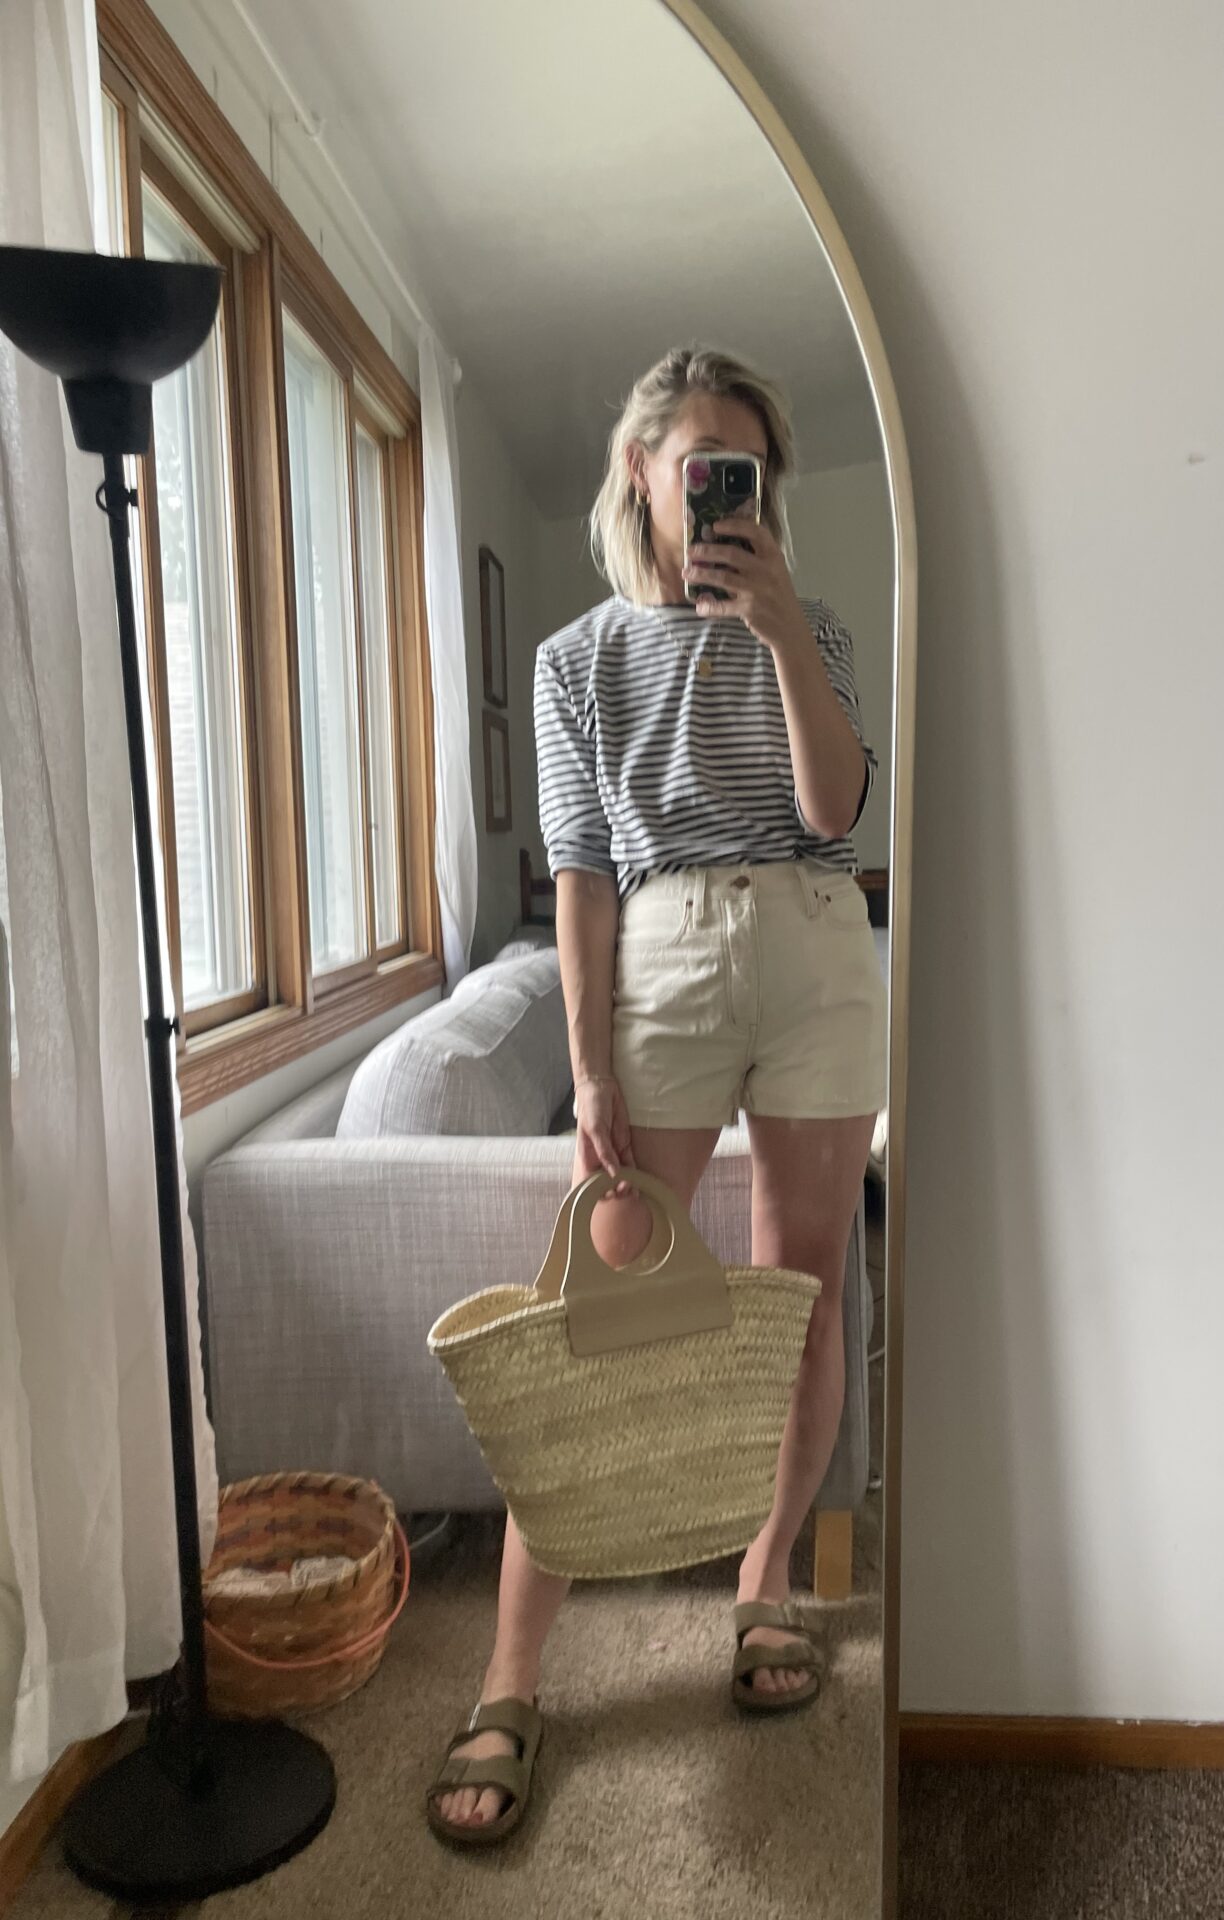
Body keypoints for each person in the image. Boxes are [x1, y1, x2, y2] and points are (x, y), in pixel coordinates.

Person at [427, 345, 887, 1845]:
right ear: (645, 471)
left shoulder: (802, 624)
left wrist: (782, 642)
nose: (720, 490)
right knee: (609, 1309)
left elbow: (836, 811)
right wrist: (586, 1063)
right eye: (700, 462)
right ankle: (510, 1674)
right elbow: (575, 877)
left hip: (819, 943)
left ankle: (762, 1590)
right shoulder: (574, 662)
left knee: (803, 1291)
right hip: (665, 954)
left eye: (745, 469)